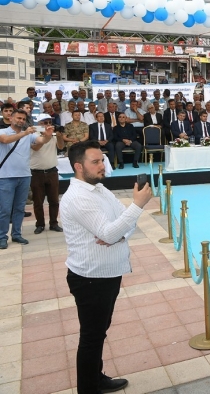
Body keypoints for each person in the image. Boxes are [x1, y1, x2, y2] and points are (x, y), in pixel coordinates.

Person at [61, 140, 152, 394]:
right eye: (96, 162)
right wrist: (136, 206)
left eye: (103, 160)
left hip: (108, 274)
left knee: (99, 332)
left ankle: (95, 378)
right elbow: (115, 226)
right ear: (79, 166)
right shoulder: (79, 197)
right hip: (91, 278)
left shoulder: (99, 189)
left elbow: (121, 225)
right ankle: (88, 389)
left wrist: (119, 232)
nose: (103, 165)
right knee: (91, 337)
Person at [0, 110, 56, 249]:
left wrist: (48, 136)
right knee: (5, 209)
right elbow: (5, 140)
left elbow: (40, 141)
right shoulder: (4, 131)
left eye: (23, 119)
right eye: (18, 118)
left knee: (20, 208)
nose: (21, 120)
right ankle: (2, 237)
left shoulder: (28, 134)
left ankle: (17, 234)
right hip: (6, 176)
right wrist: (25, 133)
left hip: (24, 175)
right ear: (11, 118)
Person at [30, 113, 66, 235]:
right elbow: (35, 148)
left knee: (54, 200)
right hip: (36, 173)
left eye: (49, 122)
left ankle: (54, 223)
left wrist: (59, 135)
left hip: (52, 171)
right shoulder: (32, 134)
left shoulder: (53, 135)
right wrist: (46, 137)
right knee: (38, 201)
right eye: (45, 123)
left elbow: (61, 146)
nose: (48, 125)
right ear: (39, 124)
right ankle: (40, 224)